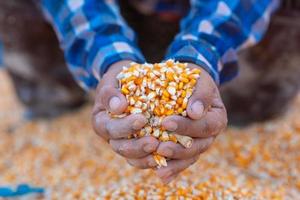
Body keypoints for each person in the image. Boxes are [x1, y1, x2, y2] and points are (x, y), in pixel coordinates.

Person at [1, 0, 297, 184]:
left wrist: (200, 56)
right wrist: (110, 58)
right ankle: (59, 99)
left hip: (219, 15)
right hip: (118, 12)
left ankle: (242, 100)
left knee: (254, 108)